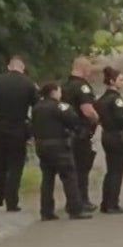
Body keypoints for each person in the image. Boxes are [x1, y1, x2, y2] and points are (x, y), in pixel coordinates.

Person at [0, 55, 39, 212]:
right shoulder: (28, 84)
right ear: (22, 68)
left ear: (9, 67)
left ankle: (0, 196)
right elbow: (37, 108)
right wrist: (32, 129)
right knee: (15, 165)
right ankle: (12, 201)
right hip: (18, 127)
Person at [29, 82, 92, 222]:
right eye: (59, 91)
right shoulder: (60, 106)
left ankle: (46, 211)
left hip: (41, 144)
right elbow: (73, 120)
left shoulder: (37, 107)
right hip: (58, 145)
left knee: (47, 179)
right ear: (54, 92)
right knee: (69, 177)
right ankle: (75, 209)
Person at [95, 66, 123, 214]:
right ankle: (113, 203)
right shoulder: (116, 99)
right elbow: (122, 117)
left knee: (110, 170)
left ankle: (106, 202)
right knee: (117, 171)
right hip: (117, 135)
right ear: (112, 81)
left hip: (106, 134)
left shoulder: (101, 99)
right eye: (120, 80)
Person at [62, 56, 100, 213]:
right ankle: (82, 200)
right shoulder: (82, 86)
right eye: (89, 69)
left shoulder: (65, 86)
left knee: (72, 170)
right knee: (82, 169)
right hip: (81, 133)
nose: (90, 72)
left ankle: (72, 200)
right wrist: (97, 118)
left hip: (68, 132)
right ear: (83, 68)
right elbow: (87, 110)